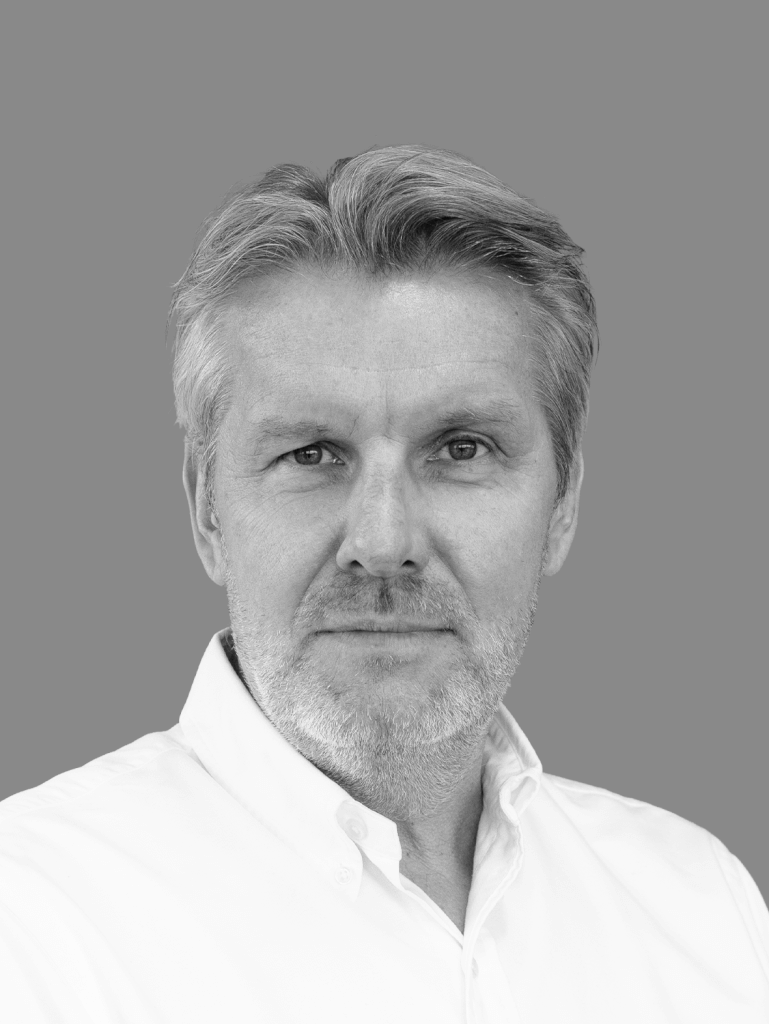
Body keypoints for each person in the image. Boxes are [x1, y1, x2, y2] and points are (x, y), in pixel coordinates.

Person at [1, 145, 767, 1023]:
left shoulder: (701, 907)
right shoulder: (32, 921)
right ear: (207, 508)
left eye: (461, 449)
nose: (381, 542)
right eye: (310, 454)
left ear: (561, 508)